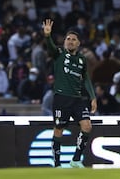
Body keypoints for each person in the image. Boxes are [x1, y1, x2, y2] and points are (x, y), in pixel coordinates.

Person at [42, 19, 97, 168]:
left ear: (79, 44)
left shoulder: (81, 59)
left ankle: (76, 159)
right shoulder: (59, 54)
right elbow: (51, 48)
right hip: (61, 97)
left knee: (87, 126)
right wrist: (47, 36)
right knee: (59, 129)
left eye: (74, 40)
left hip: (78, 99)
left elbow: (86, 79)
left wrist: (93, 97)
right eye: (68, 39)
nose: (70, 41)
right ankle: (57, 164)